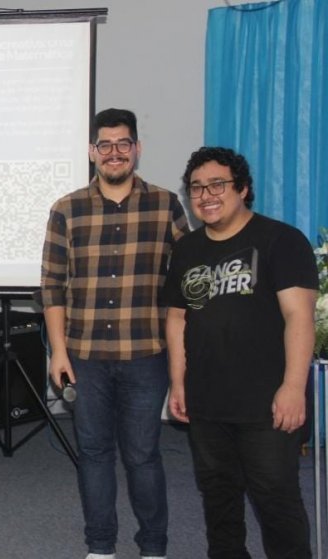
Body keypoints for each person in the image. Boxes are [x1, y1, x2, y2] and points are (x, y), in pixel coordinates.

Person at [40, 108, 189, 559]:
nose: (114, 152)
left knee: (143, 454)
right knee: (94, 452)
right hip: (84, 356)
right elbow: (52, 286)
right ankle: (101, 546)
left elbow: (186, 282)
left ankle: (153, 546)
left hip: (146, 354)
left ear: (137, 149)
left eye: (123, 143)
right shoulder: (66, 209)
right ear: (92, 152)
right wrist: (58, 352)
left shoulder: (166, 205)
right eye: (104, 144)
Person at [165, 147, 316, 558]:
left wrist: (293, 387)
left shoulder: (281, 240)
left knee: (276, 501)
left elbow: (299, 317)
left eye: (218, 184)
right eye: (197, 187)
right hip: (207, 400)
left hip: (267, 402)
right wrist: (178, 382)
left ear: (243, 188)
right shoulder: (187, 250)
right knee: (218, 499)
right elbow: (177, 318)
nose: (206, 195)